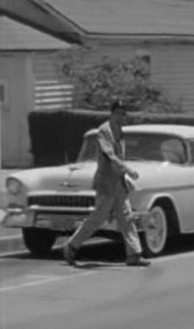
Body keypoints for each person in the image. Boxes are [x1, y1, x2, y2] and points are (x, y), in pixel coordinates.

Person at [63, 100, 151, 267]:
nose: (121, 117)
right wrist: (127, 169)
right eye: (118, 113)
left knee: (127, 218)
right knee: (98, 217)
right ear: (112, 113)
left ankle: (134, 254)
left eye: (123, 114)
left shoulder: (120, 130)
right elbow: (110, 156)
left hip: (118, 182)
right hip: (106, 182)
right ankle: (71, 246)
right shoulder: (104, 131)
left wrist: (124, 175)